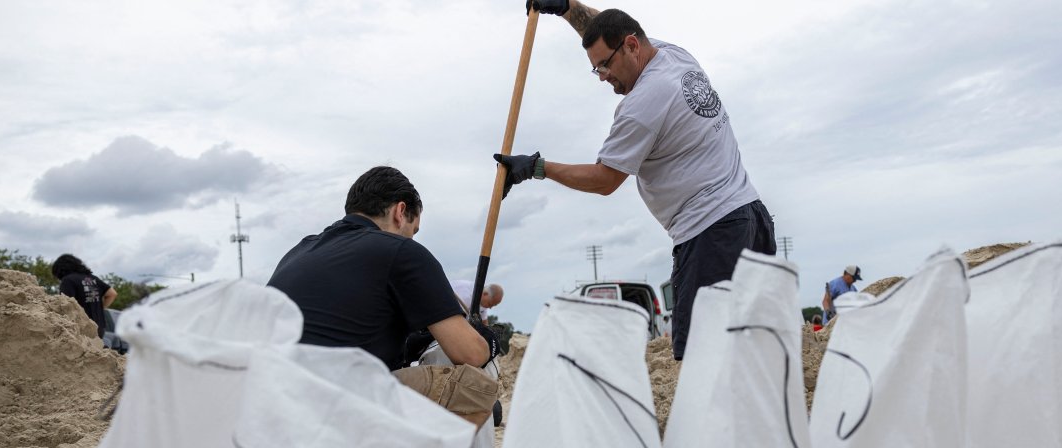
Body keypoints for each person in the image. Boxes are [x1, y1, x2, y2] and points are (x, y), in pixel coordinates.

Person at [497, 1, 775, 360]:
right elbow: (606, 28)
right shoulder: (673, 56)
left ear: (631, 46)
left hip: (712, 235)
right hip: (751, 218)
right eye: (595, 68)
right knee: (759, 350)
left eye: (604, 66)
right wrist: (566, 7)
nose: (602, 76)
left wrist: (536, 167)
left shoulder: (642, 104)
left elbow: (605, 179)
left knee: (704, 362)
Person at [267, 166, 499, 372]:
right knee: (475, 388)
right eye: (414, 230)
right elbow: (471, 354)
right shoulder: (402, 251)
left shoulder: (299, 250)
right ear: (400, 212)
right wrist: (488, 340)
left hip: (264, 395)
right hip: (335, 402)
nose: (412, 238)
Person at [51, 254, 117, 338]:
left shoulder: (68, 280)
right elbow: (112, 294)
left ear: (60, 270)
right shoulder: (92, 278)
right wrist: (100, 308)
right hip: (99, 327)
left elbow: (65, 304)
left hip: (81, 327)